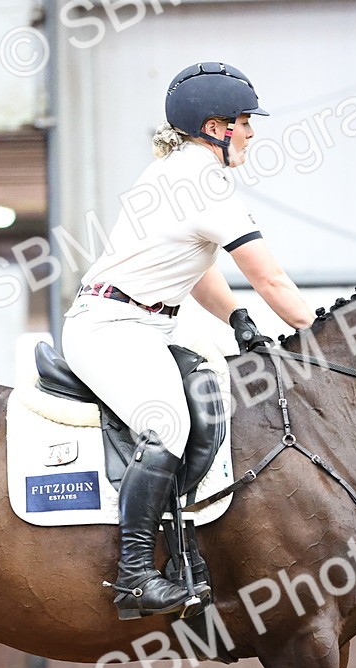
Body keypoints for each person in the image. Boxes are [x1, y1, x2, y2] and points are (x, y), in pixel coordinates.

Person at [62, 62, 314, 620]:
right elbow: (272, 277)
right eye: (245, 121)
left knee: (209, 395)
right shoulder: (204, 180)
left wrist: (238, 320)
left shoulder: (175, 172)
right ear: (216, 126)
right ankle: (133, 577)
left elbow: (195, 270)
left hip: (142, 325)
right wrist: (319, 337)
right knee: (168, 421)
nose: (251, 131)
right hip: (112, 327)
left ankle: (184, 553)